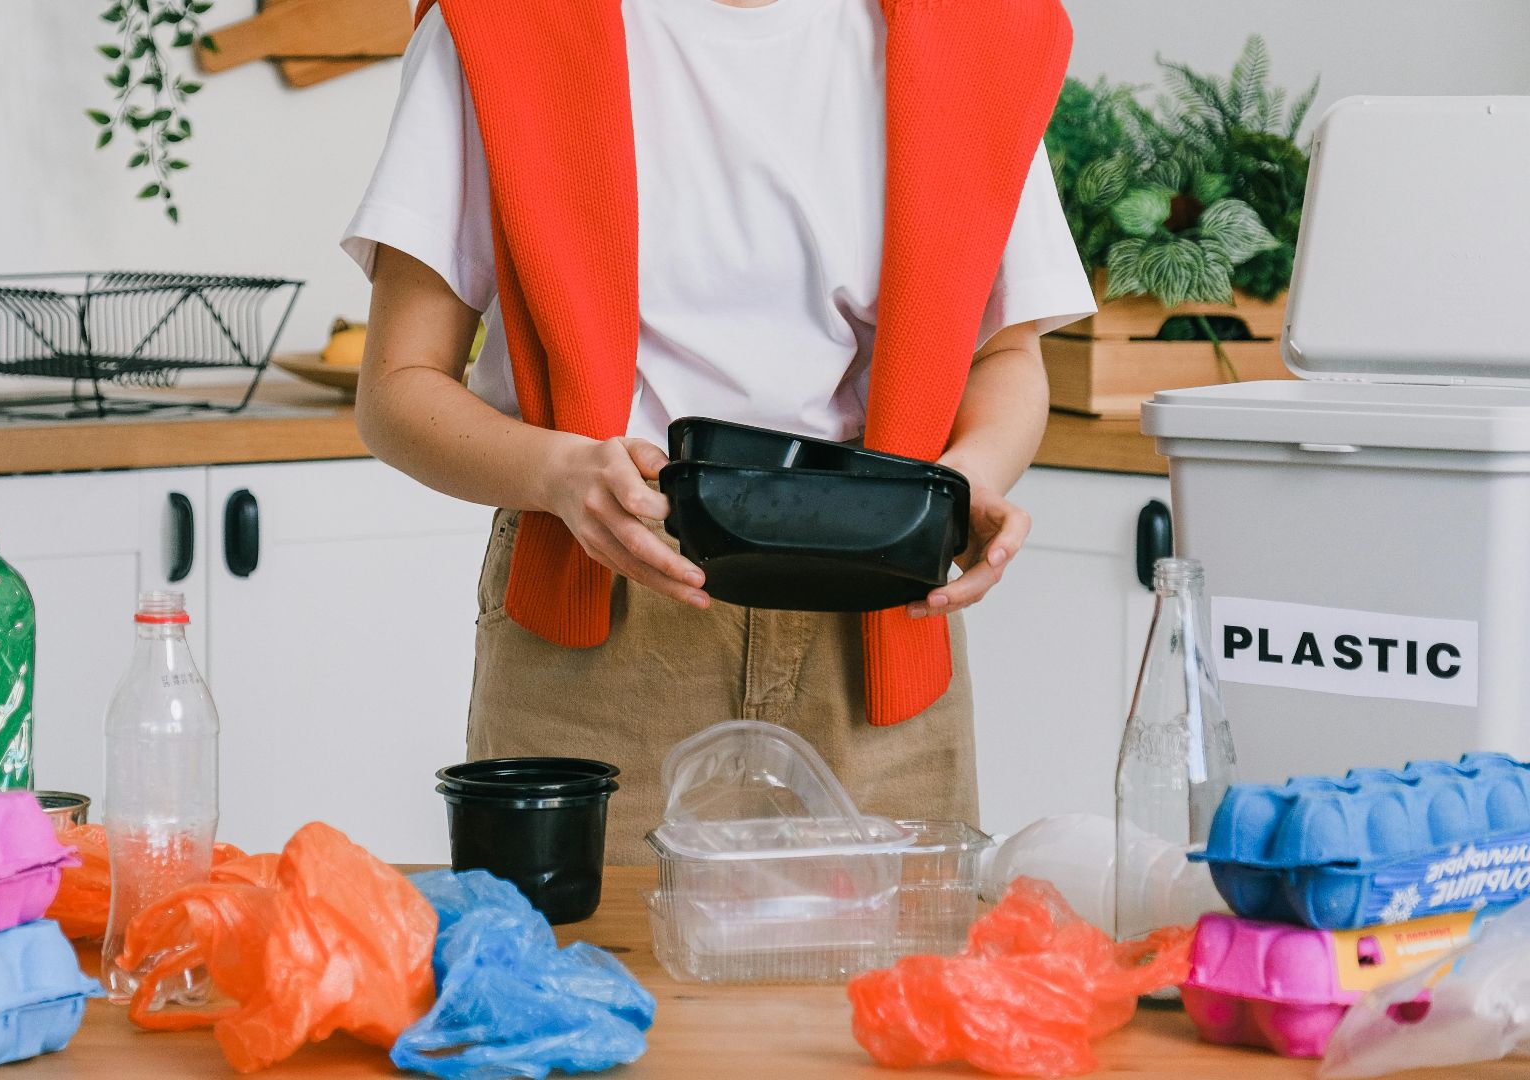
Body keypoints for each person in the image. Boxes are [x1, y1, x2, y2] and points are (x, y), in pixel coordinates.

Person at [343, 0, 1094, 862]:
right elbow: (398, 389)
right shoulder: (504, 26)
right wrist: (559, 474)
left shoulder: (970, 37)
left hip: (878, 624)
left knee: (880, 984)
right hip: (601, 618)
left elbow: (1004, 355)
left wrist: (962, 483)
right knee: (581, 976)